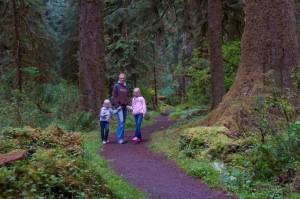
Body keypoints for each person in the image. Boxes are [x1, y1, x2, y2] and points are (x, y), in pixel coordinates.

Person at [112, 73, 131, 144]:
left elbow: (128, 96)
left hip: (125, 107)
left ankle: (122, 138)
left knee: (123, 122)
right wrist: (117, 105)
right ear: (119, 78)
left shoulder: (126, 86)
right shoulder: (116, 86)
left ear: (125, 78)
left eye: (123, 78)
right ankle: (119, 138)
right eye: (121, 78)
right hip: (119, 107)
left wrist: (128, 104)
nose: (122, 79)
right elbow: (114, 97)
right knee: (121, 121)